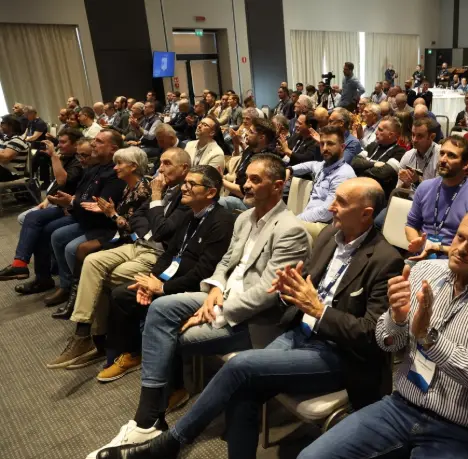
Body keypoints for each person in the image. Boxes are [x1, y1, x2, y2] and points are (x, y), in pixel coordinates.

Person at [99, 177, 404, 459]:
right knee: (243, 390)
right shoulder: (328, 236)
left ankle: (170, 443)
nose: (330, 206)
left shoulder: (385, 260)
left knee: (241, 366)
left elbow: (371, 336)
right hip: (298, 333)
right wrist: (287, 291)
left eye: (341, 202)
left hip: (339, 355)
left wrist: (319, 310)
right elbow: (300, 292)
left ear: (366, 214)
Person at [87, 154, 311, 459]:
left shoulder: (290, 229)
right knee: (160, 309)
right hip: (223, 296)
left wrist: (221, 309)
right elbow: (226, 262)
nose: (246, 184)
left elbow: (268, 294)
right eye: (246, 178)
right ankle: (149, 419)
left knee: (177, 336)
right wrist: (215, 289)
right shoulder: (245, 218)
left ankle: (155, 416)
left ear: (278, 186)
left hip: (255, 319)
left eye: (255, 180)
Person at [298, 201, 468, 459]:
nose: (460, 249)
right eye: (460, 237)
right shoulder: (425, 271)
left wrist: (428, 338)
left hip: (461, 428)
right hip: (401, 407)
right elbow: (387, 342)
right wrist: (397, 319)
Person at [99, 166, 235, 383]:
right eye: (185, 183)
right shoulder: (189, 215)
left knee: (157, 306)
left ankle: (176, 385)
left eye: (191, 184)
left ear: (210, 192)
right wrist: (153, 278)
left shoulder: (222, 222)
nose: (184, 188)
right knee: (122, 294)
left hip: (194, 287)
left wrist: (162, 288)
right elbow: (169, 253)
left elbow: (203, 272)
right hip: (171, 278)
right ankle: (131, 353)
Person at [48, 148, 192, 327]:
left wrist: (154, 200)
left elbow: (162, 230)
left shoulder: (179, 193)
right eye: (161, 163)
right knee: (91, 261)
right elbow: (137, 216)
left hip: (157, 251)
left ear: (184, 168)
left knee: (96, 273)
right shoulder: (161, 187)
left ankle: (95, 331)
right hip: (138, 241)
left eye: (167, 163)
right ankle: (84, 329)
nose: (160, 168)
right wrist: (146, 228)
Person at [15, 130, 126, 305]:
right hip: (82, 215)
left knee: (65, 243)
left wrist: (72, 203)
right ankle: (55, 282)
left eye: (98, 141)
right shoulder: (96, 167)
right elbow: (81, 193)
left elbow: (99, 205)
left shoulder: (115, 171)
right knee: (43, 227)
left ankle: (74, 290)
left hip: (101, 224)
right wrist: (69, 203)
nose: (94, 144)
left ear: (113, 148)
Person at [0, 132, 87, 281]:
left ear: (75, 145)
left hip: (70, 208)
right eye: (59, 142)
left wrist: (54, 156)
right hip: (62, 203)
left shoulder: (79, 163)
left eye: (64, 142)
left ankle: (38, 273)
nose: (59, 145)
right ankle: (25, 266)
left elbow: (62, 181)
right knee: (30, 218)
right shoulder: (69, 159)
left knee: (36, 225)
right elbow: (58, 185)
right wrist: (47, 199)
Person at [406, 136, 468, 261]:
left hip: (455, 260)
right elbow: (411, 225)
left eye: (451, 156)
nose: (443, 160)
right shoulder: (424, 187)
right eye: (442, 153)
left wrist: (437, 248)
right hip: (421, 255)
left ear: (466, 164)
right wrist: (417, 242)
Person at [287, 125, 356, 234]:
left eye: (330, 144)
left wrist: (296, 220)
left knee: (283, 228)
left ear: (342, 147)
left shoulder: (344, 174)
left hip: (327, 227)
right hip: (310, 220)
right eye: (322, 144)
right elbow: (310, 165)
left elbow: (326, 212)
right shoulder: (324, 165)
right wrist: (290, 170)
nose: (324, 148)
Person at [221, 118, 278, 213]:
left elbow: (245, 191)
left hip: (251, 202)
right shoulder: (249, 150)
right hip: (236, 195)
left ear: (261, 138)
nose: (246, 134)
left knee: (216, 202)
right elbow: (238, 176)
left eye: (251, 132)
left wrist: (222, 181)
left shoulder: (264, 161)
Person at [351, 115, 406, 197]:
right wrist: (374, 164)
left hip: (378, 195)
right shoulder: (372, 145)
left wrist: (363, 168)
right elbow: (354, 162)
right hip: (360, 189)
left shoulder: (400, 152)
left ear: (391, 135)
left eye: (380, 130)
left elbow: (383, 174)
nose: (376, 132)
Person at [397, 118, 440, 190]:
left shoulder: (441, 156)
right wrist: (406, 184)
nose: (414, 140)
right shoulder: (407, 155)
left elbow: (437, 192)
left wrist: (417, 182)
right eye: (413, 134)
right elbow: (398, 193)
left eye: (420, 136)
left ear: (432, 137)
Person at [0, 115, 30, 182]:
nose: (0, 125)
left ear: (11, 126)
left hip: (12, 174)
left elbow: (5, 158)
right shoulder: (5, 139)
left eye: (2, 123)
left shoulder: (17, 140)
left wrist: (2, 154)